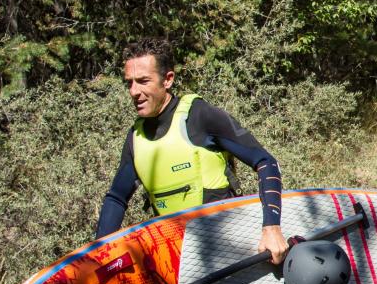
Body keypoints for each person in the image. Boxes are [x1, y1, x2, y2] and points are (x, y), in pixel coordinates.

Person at [96, 38, 289, 263]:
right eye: (129, 83)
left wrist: (272, 228)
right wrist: (99, 255)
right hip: (180, 260)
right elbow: (116, 199)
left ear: (168, 79)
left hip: (228, 247)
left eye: (143, 81)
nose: (134, 91)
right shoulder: (136, 138)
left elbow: (266, 162)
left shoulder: (199, 116)